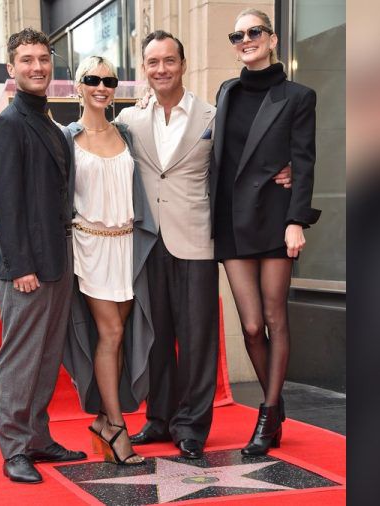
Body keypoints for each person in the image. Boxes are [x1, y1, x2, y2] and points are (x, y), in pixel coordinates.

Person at [118, 31, 293, 460]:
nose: (162, 69)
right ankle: (158, 418)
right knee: (155, 335)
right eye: (153, 62)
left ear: (183, 63)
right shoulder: (129, 120)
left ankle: (191, 426)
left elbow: (250, 150)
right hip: (146, 240)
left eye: (169, 61)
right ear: (145, 69)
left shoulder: (214, 115)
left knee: (197, 338)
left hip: (196, 237)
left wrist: (285, 167)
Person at [210, 9, 321, 456]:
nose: (245, 39)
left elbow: (305, 160)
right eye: (238, 35)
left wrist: (297, 219)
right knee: (252, 326)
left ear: (273, 40)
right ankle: (275, 410)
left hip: (275, 218)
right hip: (231, 220)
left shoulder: (297, 95)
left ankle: (268, 410)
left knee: (275, 317)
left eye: (254, 32)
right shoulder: (226, 91)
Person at [0, 28, 87, 484]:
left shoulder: (48, 122)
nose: (37, 67)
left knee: (45, 357)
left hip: (57, 258)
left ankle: (38, 438)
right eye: (26, 60)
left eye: (43, 59)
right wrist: (21, 265)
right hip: (25, 264)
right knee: (21, 359)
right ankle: (15, 449)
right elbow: (4, 203)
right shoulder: (8, 125)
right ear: (12, 68)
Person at [60, 56, 157, 466]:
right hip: (90, 247)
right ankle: (116, 426)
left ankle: (105, 419)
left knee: (118, 338)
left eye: (110, 80)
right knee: (112, 332)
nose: (102, 86)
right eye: (93, 79)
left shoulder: (126, 134)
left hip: (125, 246)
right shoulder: (66, 137)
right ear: (78, 86)